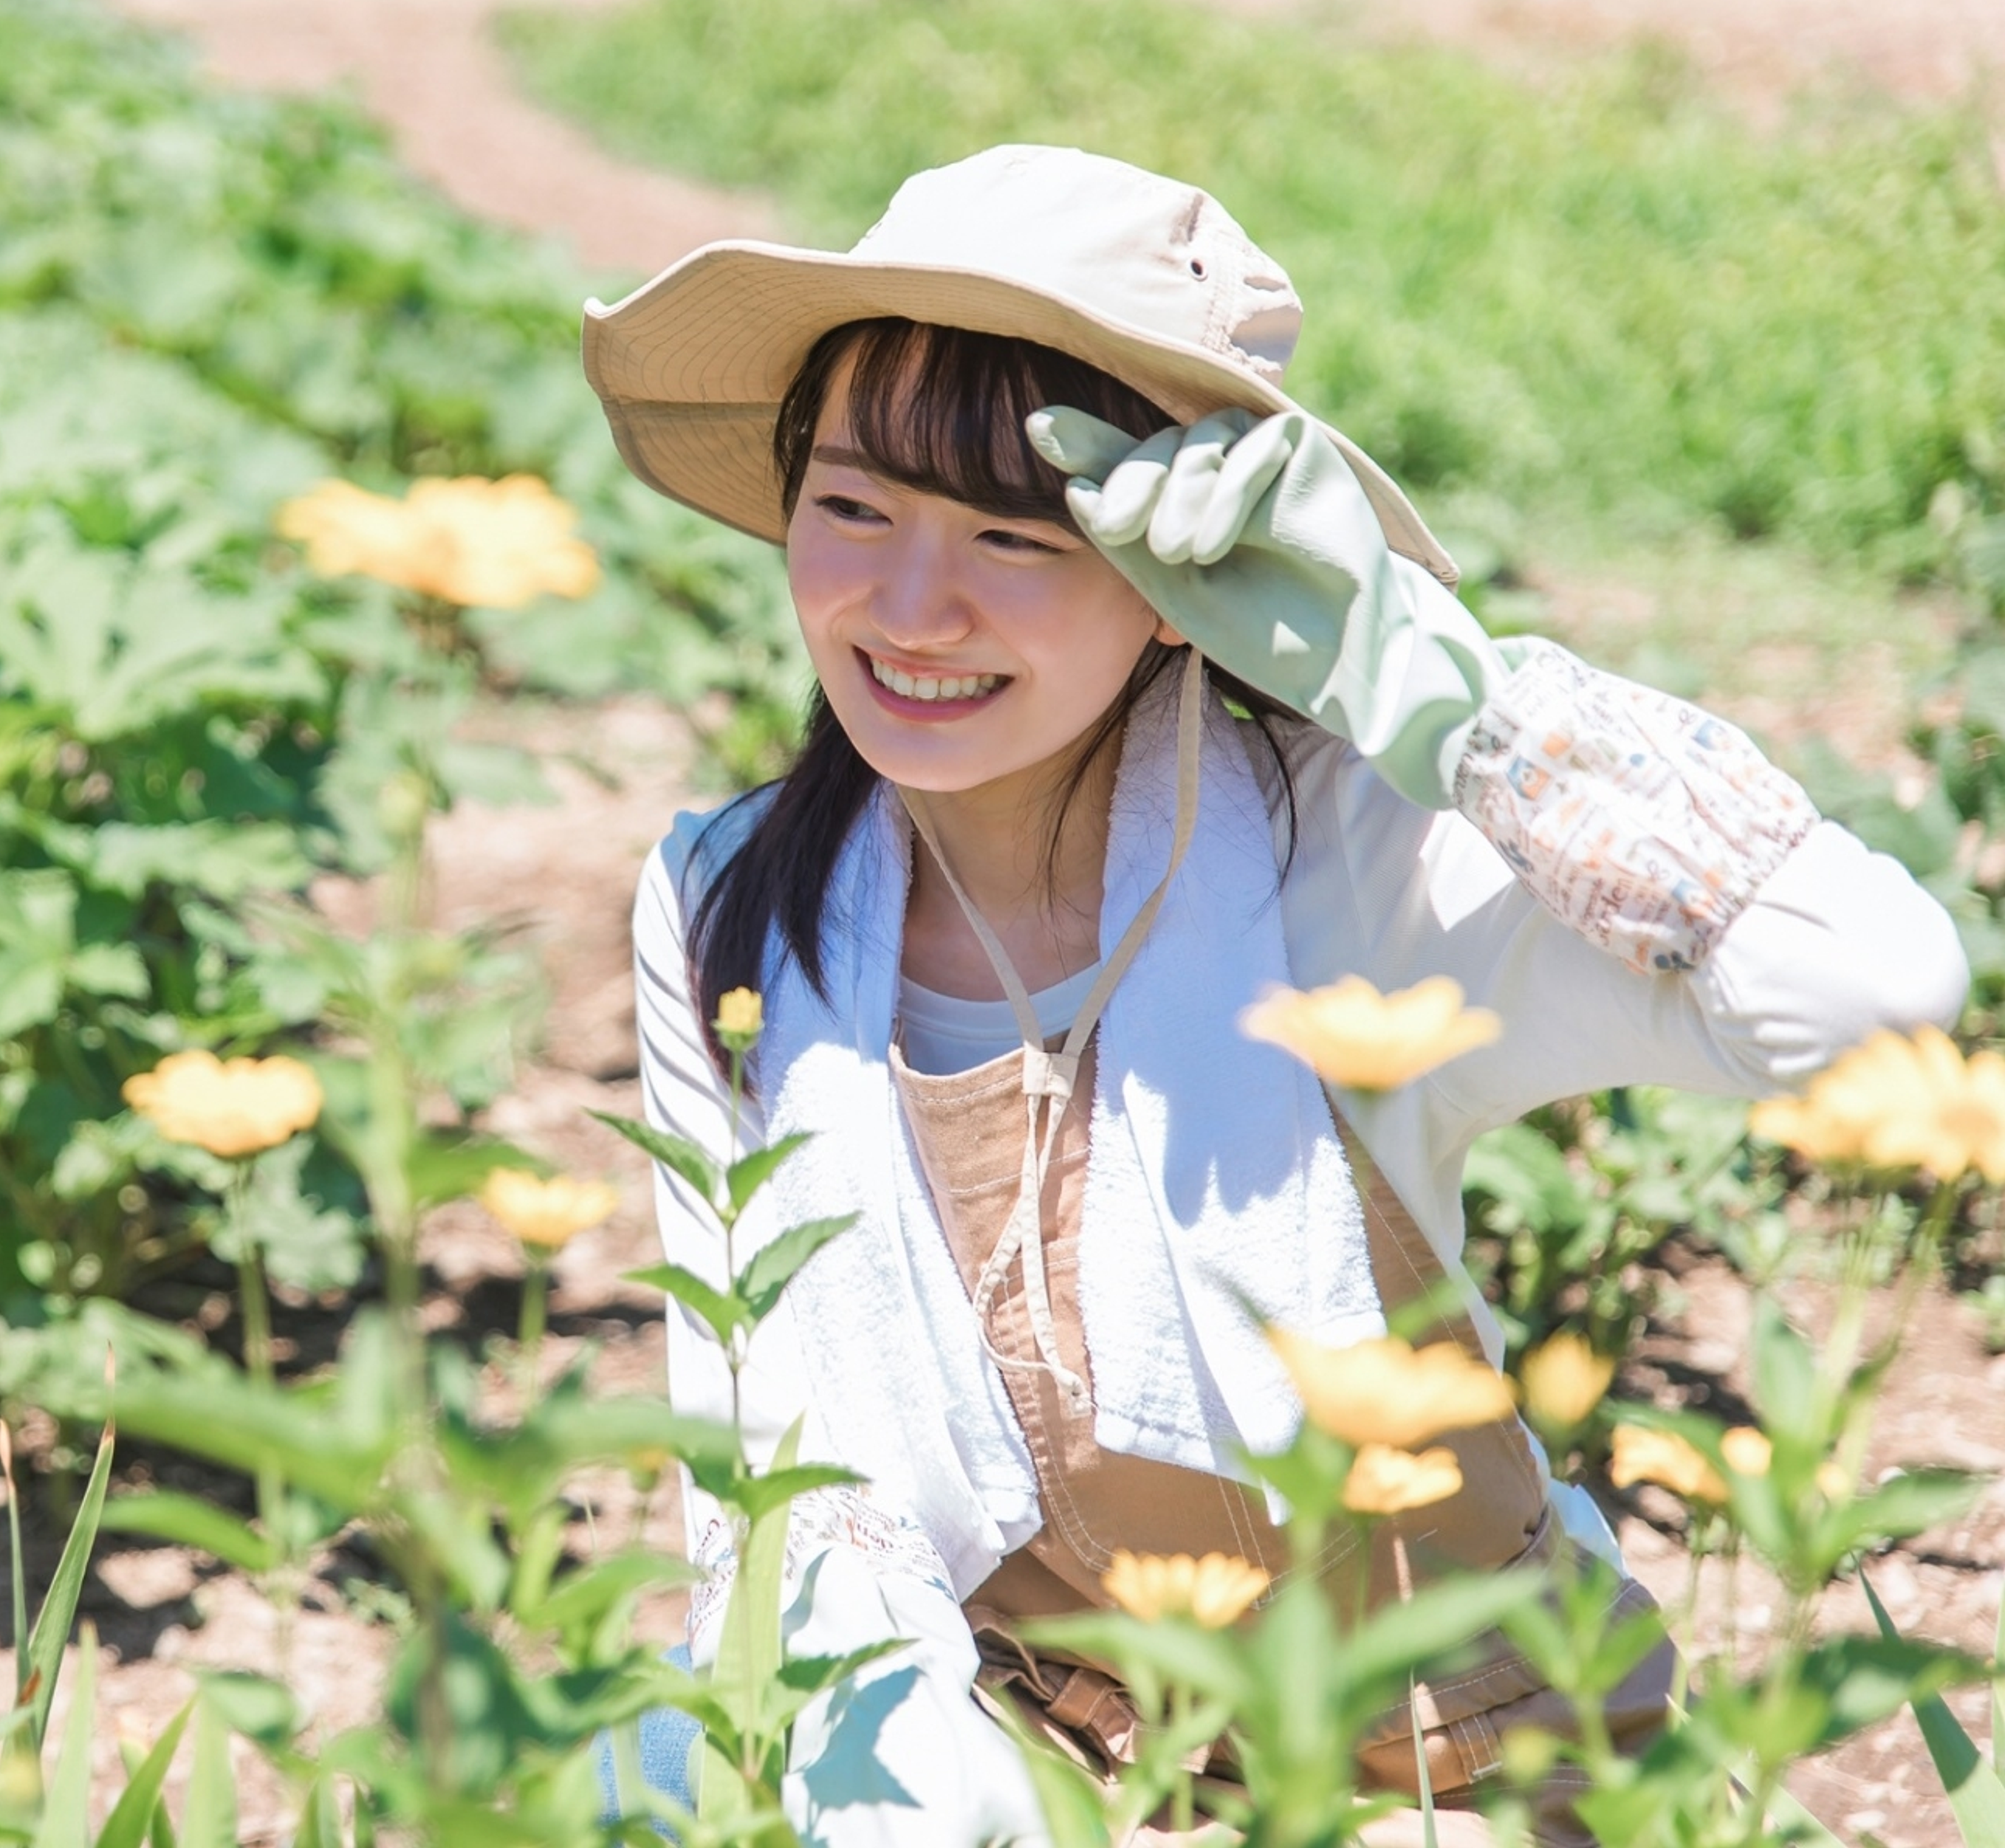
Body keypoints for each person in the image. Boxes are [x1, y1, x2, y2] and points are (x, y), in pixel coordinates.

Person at [578, 144, 1967, 1844]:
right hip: (1040, 1753)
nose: (910, 608)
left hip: (1449, 1772)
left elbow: (1869, 993)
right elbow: (773, 1466)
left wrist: (1438, 682)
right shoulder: (734, 902)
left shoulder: (1356, 865)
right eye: (854, 507)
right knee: (649, 1773)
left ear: (1180, 587)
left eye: (1017, 536)